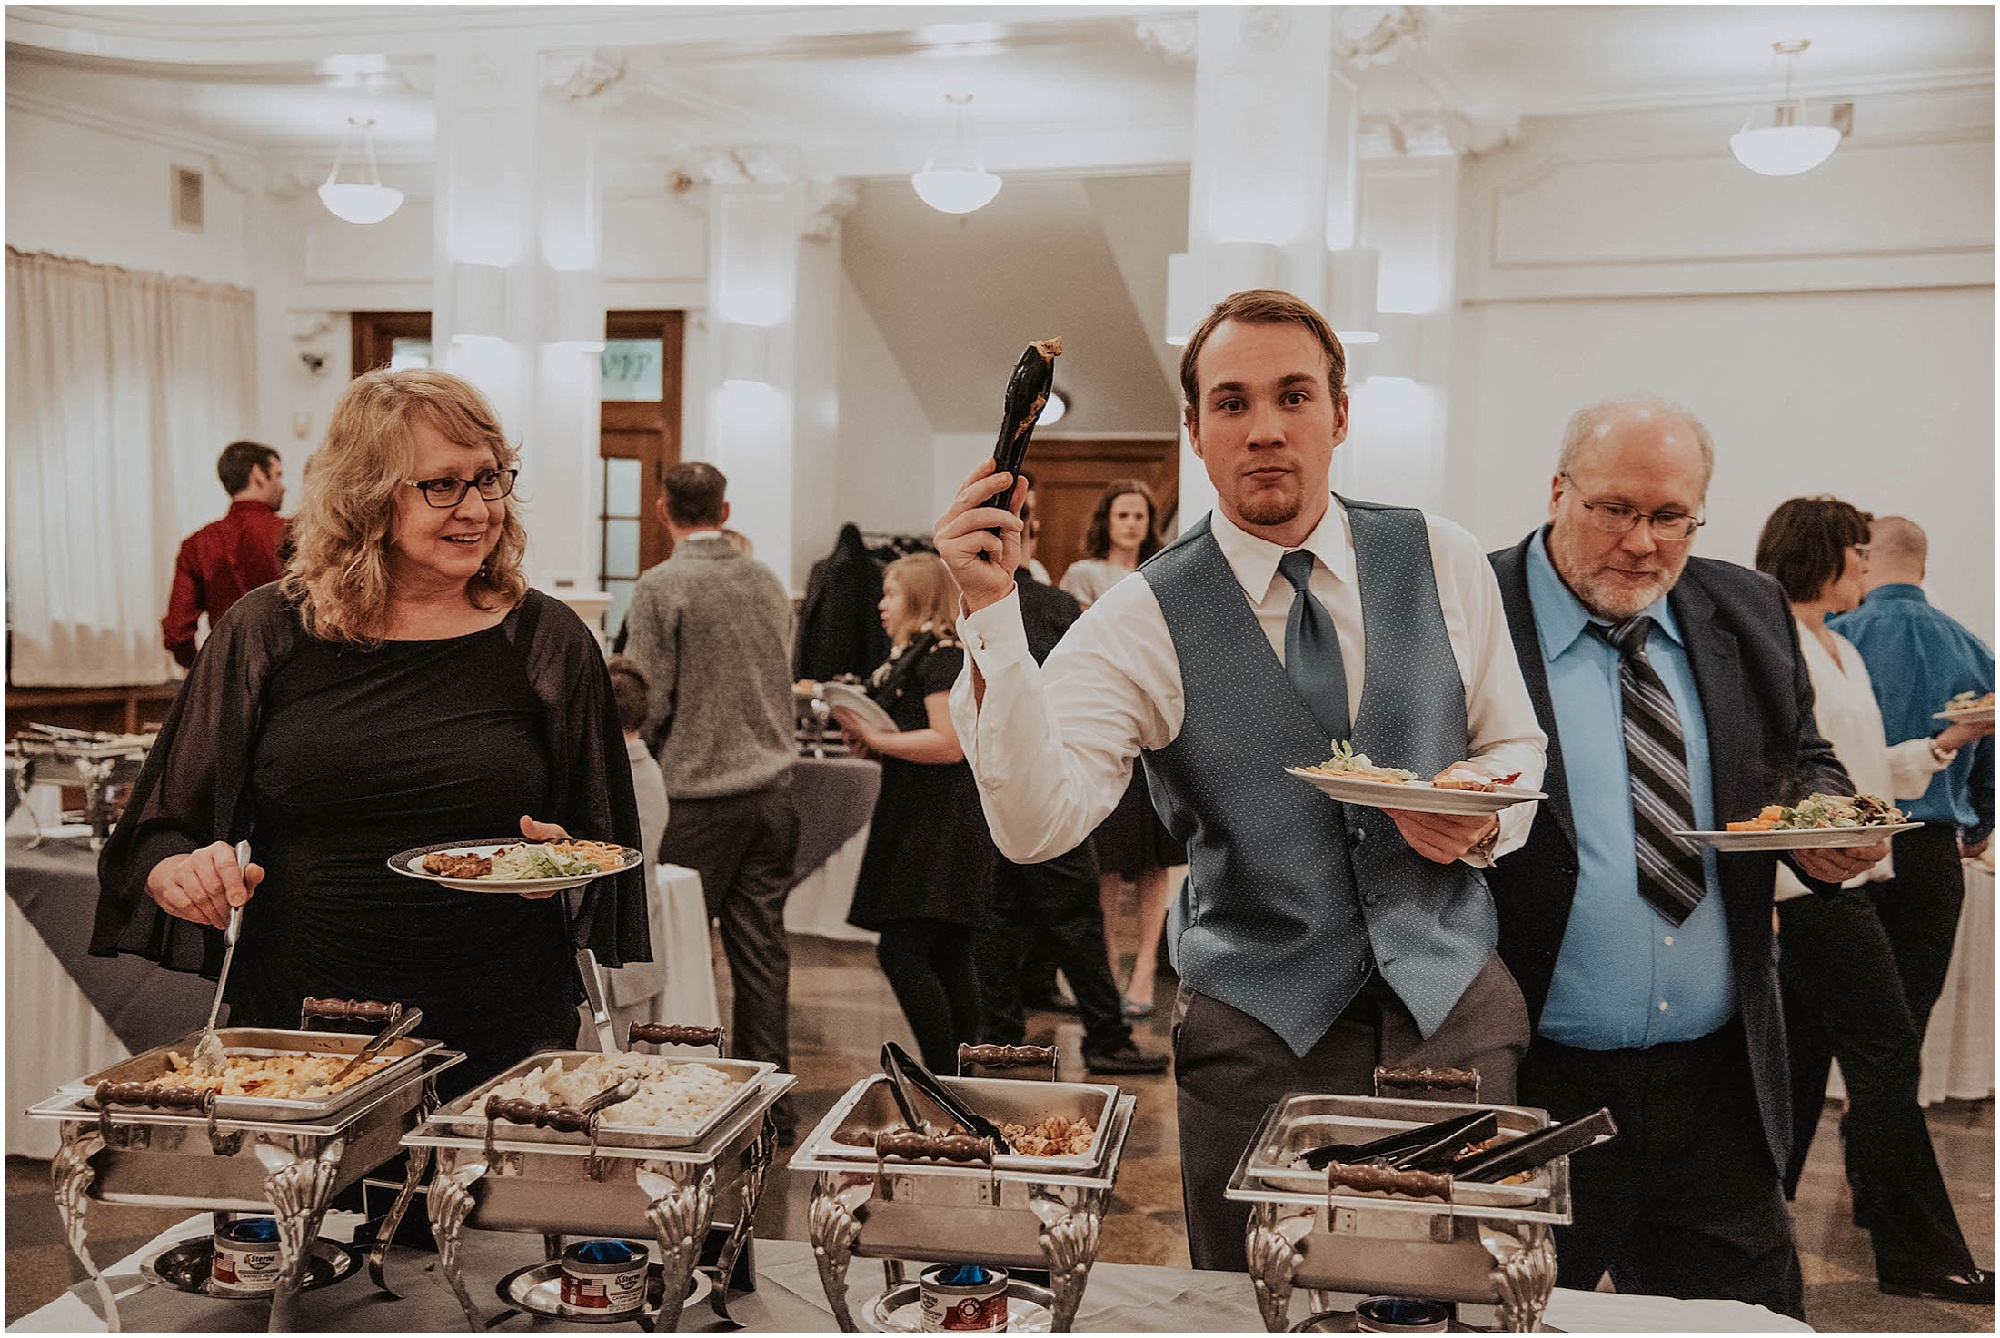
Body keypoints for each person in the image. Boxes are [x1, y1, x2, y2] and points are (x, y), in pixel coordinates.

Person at [936, 288, 1547, 1269]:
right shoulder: (1141, 612)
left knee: (1456, 1296)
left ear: (1339, 415)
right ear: (1192, 429)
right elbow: (1033, 824)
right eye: (1229, 403)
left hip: (1453, 1024)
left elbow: (1516, 744)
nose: (1263, 428)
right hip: (1258, 1040)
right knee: (1252, 1304)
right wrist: (990, 614)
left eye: (1292, 396)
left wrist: (1478, 814)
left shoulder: (1440, 556)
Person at [96, 369, 647, 1098]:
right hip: (305, 1019)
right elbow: (159, 830)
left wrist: (558, 865)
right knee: (310, 1215)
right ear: (366, 496)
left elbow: (598, 834)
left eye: (489, 478)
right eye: (441, 485)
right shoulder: (266, 631)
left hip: (500, 1014)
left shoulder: (546, 639)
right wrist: (180, 873)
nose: (477, 508)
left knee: (468, 1211)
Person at [1484, 394, 1879, 1318]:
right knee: (1508, 1318)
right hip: (1535, 1084)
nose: (1641, 542)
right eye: (1613, 509)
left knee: (1752, 1324)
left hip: (1718, 1087)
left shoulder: (1744, 606)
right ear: (1557, 492)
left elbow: (1798, 757)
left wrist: (1818, 822)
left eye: (1670, 517)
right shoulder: (1476, 609)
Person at [1753, 497, 1993, 1304]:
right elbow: (1771, 772)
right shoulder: (1781, 639)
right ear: (1823, 556)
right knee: (1887, 1053)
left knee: (1798, 1065)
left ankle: (1758, 1226)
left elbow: (1851, 769)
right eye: (1856, 554)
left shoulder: (1837, 648)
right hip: (1816, 887)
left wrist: (1939, 747)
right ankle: (1917, 1250)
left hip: (1853, 877)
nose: (1866, 568)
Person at [623, 461, 800, 1136]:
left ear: (663, 510)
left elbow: (648, 695)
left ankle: (684, 1097)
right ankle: (774, 1106)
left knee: (681, 954)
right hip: (772, 790)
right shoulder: (765, 579)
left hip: (697, 794)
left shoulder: (661, 585)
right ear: (725, 512)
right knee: (763, 954)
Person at [975, 498, 1169, 1076]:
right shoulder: (1059, 606)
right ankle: (1105, 1037)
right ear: (1029, 535)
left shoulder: (975, 615)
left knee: (1003, 911)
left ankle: (1004, 1030)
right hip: (1054, 775)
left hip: (991, 787)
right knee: (1076, 915)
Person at [1832, 515, 1996, 1038]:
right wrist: (1976, 832)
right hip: (1933, 853)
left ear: (1863, 560)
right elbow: (1991, 764)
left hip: (1844, 847)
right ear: (1922, 566)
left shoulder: (1834, 639)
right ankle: (1875, 1116)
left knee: (1831, 1024)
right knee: (1906, 1024)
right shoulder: (1975, 650)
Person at [834, 553, 995, 1073]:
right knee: (946, 951)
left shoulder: (941, 657)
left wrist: (879, 738)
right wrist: (878, 745)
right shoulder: (921, 653)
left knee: (905, 950)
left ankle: (946, 1071)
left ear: (921, 597)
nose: (881, 605)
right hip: (923, 812)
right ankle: (959, 1073)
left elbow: (949, 744)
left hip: (940, 820)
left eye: (891, 593)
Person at [1058, 480, 1182, 1018]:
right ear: (1106, 520)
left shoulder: (1165, 569)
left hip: (1158, 724)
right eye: (1122, 514)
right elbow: (1090, 643)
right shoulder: (1082, 574)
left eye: (1140, 515)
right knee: (1108, 864)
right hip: (1108, 726)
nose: (1131, 523)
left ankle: (1146, 971)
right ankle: (1104, 971)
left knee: (1157, 865)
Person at [161, 439, 288, 669]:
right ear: (258, 474)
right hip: (289, 676)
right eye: (278, 475)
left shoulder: (197, 544)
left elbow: (177, 632)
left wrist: (204, 671)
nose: (283, 486)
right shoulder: (293, 534)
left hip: (230, 674)